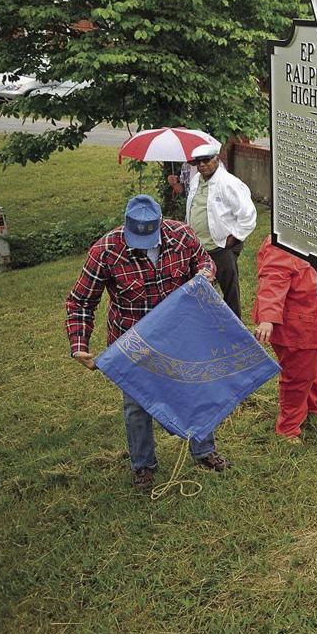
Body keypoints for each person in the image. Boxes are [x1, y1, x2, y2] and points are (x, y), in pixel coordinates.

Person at [66, 195, 229, 488]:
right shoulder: (105, 250)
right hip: (133, 341)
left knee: (195, 389)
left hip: (180, 334)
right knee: (136, 405)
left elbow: (203, 260)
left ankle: (204, 450)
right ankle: (143, 465)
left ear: (161, 225)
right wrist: (80, 345)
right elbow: (80, 302)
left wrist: (205, 273)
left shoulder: (182, 235)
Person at [252, 236, 317, 444]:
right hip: (298, 329)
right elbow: (272, 280)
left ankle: (315, 405)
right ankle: (288, 427)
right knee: (298, 377)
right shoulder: (283, 243)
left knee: (316, 369)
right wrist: (267, 318)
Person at [184, 142, 257, 317]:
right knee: (198, 288)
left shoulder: (229, 183)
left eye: (206, 160)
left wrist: (232, 240)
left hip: (220, 246)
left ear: (216, 159)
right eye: (198, 161)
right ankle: (205, 323)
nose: (202, 165)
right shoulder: (196, 180)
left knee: (230, 290)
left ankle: (235, 328)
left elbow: (248, 215)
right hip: (198, 248)